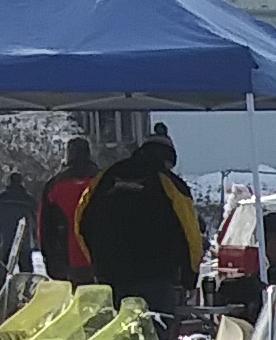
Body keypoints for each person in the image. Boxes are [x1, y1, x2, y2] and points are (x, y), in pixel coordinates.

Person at [76, 125, 199, 309]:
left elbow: (80, 221)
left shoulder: (105, 177)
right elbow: (191, 234)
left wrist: (96, 262)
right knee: (155, 332)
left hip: (111, 275)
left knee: (118, 332)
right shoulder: (170, 183)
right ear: (167, 159)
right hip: (156, 278)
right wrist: (191, 275)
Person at [35, 134, 97, 279]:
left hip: (65, 260)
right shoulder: (100, 180)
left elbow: (43, 226)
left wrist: (49, 259)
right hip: (98, 258)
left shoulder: (55, 185)